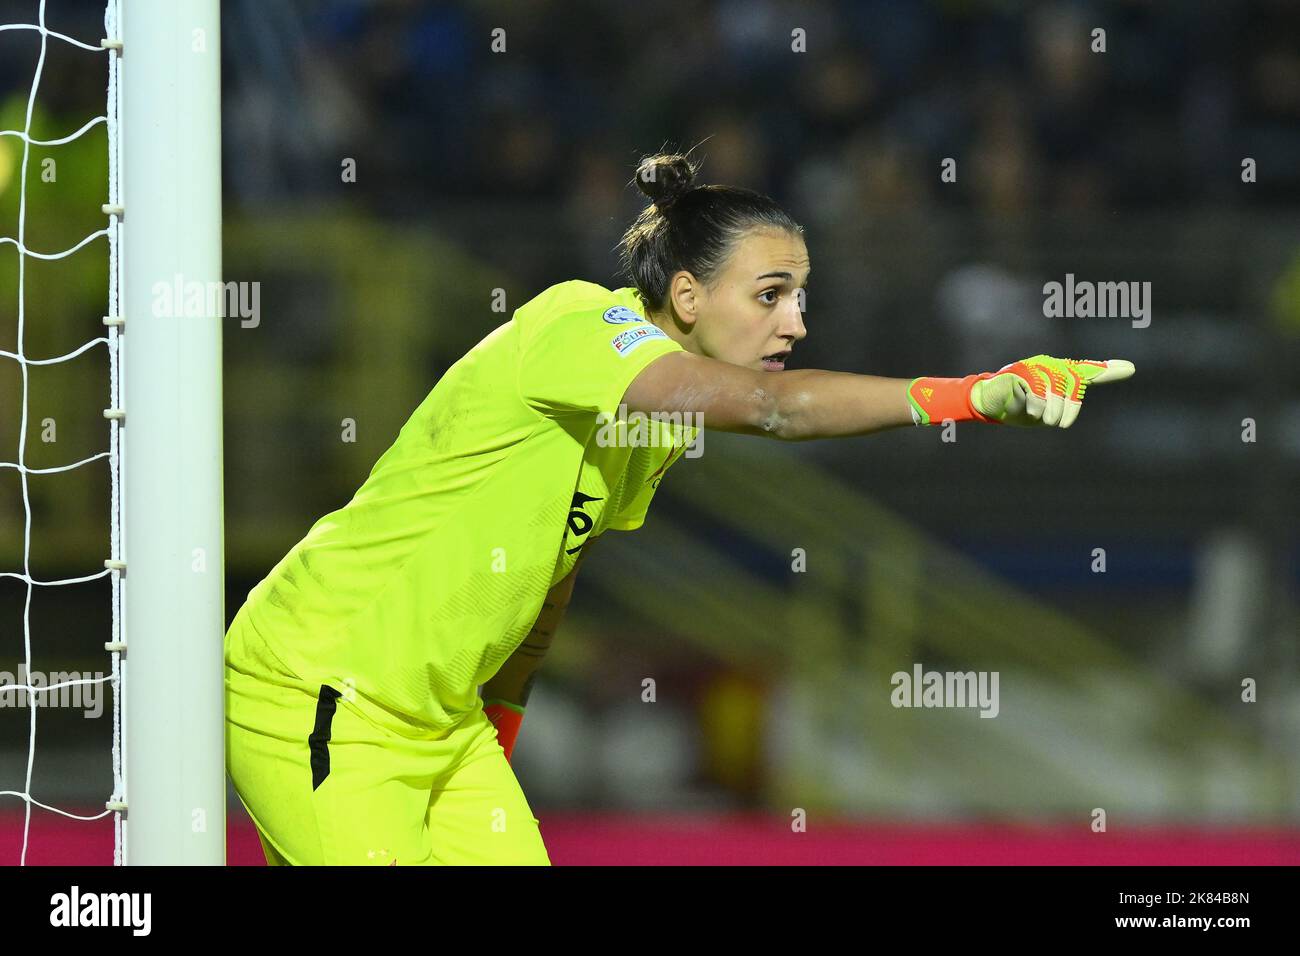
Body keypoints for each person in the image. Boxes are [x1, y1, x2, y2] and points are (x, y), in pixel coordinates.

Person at [224, 151, 1134, 866]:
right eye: (771, 295)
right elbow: (779, 410)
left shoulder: (652, 420)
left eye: (801, 296)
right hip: (324, 686)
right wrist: (975, 394)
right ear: (688, 296)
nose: (796, 323)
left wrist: (499, 726)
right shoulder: (580, 327)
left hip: (444, 725)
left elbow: (549, 584)